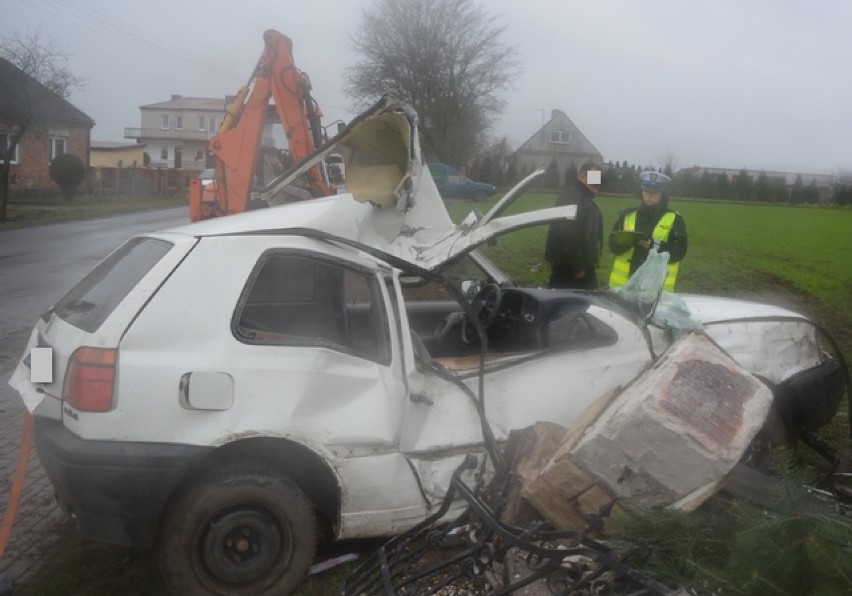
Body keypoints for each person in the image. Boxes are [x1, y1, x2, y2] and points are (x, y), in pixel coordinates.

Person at [608, 170, 687, 292]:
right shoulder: (627, 216)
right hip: (623, 287)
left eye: (654, 193)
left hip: (655, 290)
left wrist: (654, 245)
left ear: (662, 194)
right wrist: (626, 241)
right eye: (646, 191)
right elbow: (612, 245)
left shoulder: (675, 219)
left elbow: (679, 252)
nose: (649, 196)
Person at [545, 161, 603, 290]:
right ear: (581, 177)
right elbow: (569, 232)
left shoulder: (581, 196)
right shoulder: (573, 196)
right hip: (571, 271)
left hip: (579, 268)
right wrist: (578, 266)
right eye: (593, 180)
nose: (596, 185)